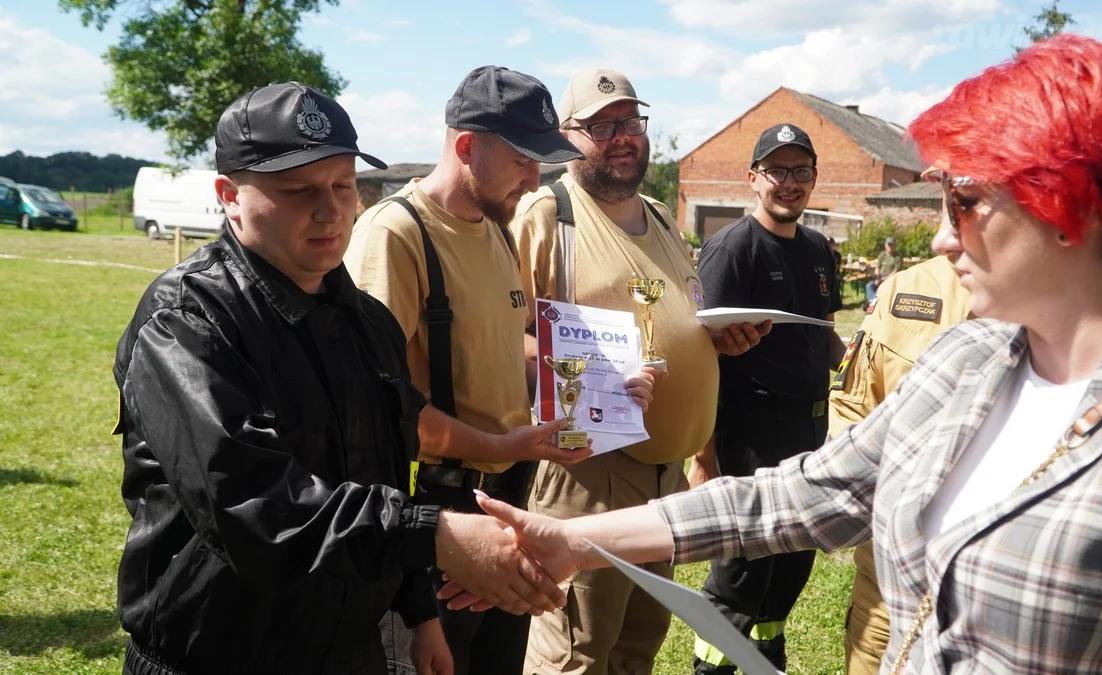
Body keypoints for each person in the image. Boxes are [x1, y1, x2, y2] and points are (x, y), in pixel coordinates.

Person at [448, 35, 1102, 673]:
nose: (940, 238)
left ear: (1072, 208)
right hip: (596, 467)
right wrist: (571, 542)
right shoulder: (967, 361)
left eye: (964, 204)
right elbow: (800, 495)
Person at [112, 82, 569, 675]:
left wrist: (419, 611)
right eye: (298, 191)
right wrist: (435, 537)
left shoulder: (367, 321)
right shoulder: (187, 320)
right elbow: (251, 502)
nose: (330, 211)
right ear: (229, 196)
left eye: (343, 186)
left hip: (347, 650)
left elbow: (385, 471)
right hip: (218, 651)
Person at [343, 66, 657, 675]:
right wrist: (497, 443)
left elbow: (502, 344)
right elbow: (377, 404)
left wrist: (601, 376)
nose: (536, 179)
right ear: (466, 147)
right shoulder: (397, 235)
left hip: (504, 499)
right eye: (522, 161)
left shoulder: (497, 229)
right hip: (436, 513)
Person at [509, 67, 767, 675]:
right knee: (575, 652)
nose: (622, 136)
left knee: (635, 648)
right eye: (601, 126)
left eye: (630, 121)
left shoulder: (659, 214)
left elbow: (680, 316)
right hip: (589, 473)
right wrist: (594, 373)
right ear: (566, 136)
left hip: (663, 479)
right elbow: (499, 336)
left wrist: (716, 342)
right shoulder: (546, 216)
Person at [687, 123, 845, 675]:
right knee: (742, 571)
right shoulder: (732, 251)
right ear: (753, 179)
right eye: (776, 170)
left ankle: (767, 656)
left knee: (792, 562)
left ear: (814, 179)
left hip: (809, 434)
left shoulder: (820, 250)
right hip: (749, 433)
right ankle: (711, 666)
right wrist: (704, 458)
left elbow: (825, 336)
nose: (789, 182)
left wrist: (863, 356)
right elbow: (699, 358)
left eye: (800, 171)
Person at [827, 254, 971, 675]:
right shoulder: (907, 289)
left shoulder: (1072, 305)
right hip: (888, 584)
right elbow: (851, 410)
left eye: (969, 202)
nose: (946, 235)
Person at [865, 236, 901, 303]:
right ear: (885, 245)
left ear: (895, 246)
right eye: (888, 244)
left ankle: (873, 303)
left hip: (891, 280)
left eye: (892, 245)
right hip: (880, 277)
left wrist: (883, 280)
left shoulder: (898, 257)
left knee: (881, 289)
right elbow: (877, 268)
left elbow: (895, 271)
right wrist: (877, 278)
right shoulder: (882, 254)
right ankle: (872, 302)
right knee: (869, 286)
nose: (890, 246)